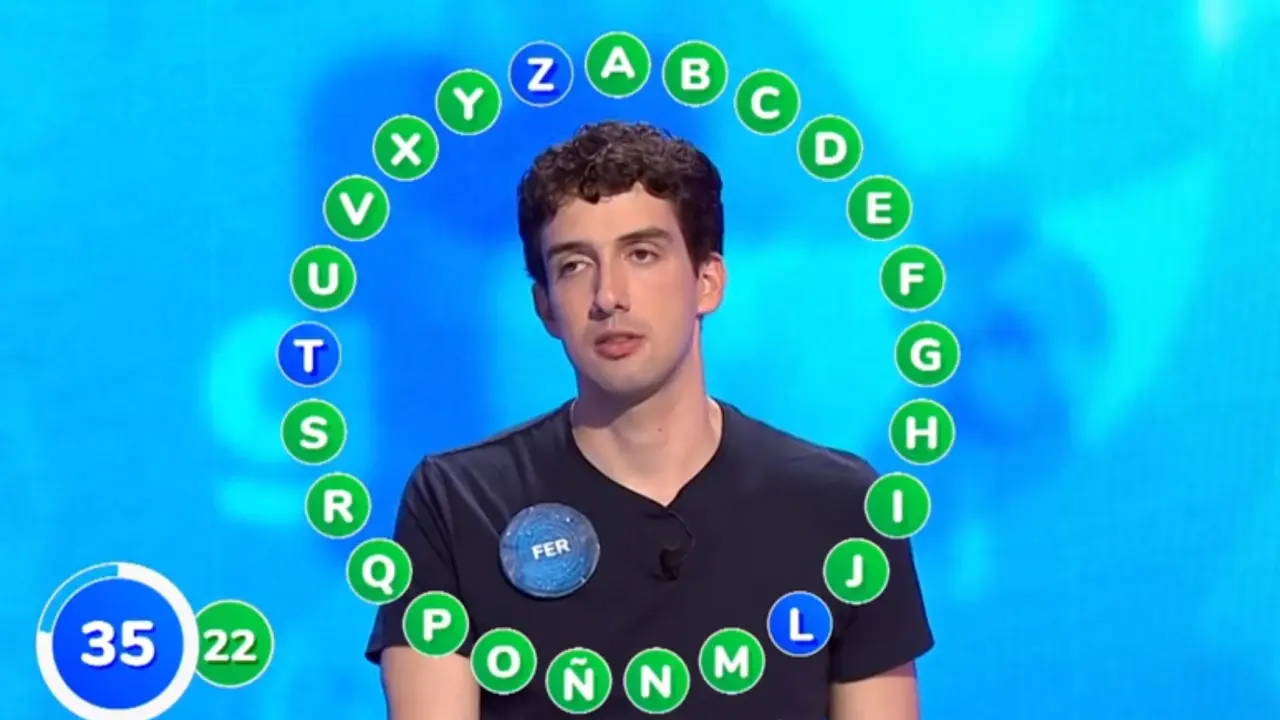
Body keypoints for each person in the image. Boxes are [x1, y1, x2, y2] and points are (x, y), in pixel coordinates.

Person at [366, 121, 934, 719]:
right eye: (574, 265)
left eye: (641, 254)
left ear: (707, 281)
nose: (609, 296)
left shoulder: (840, 507)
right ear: (545, 307)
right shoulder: (459, 505)